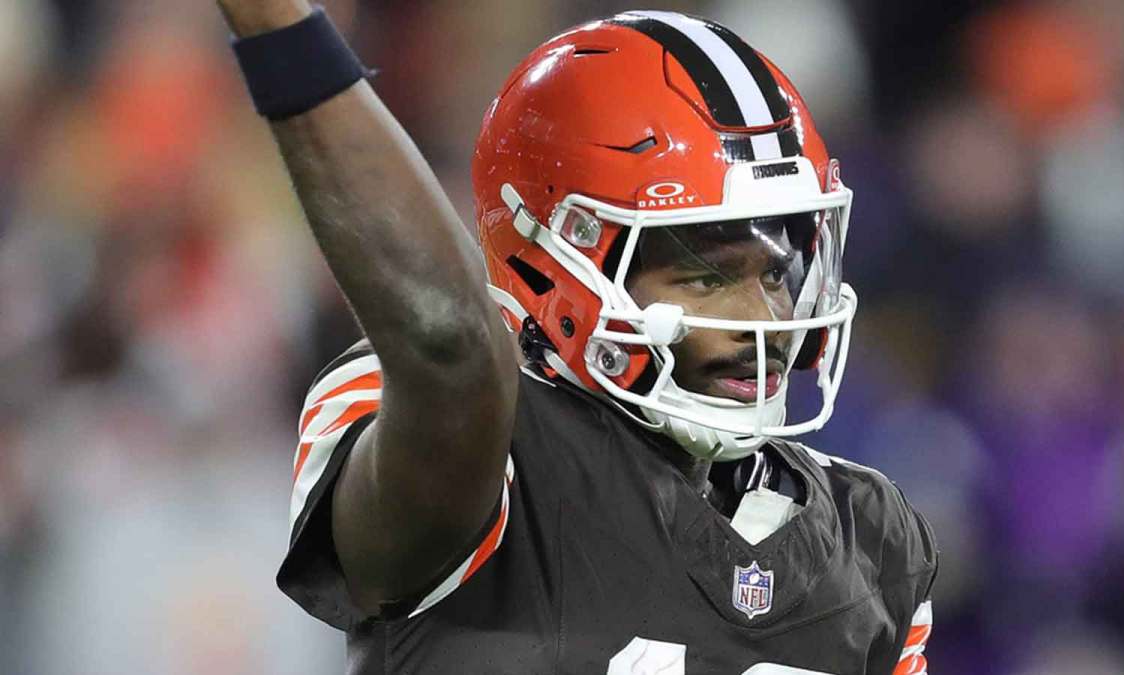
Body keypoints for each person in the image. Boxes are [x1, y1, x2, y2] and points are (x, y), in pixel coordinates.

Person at [219, 2, 937, 673]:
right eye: (708, 277)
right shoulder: (493, 449)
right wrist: (284, 34)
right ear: (555, 260)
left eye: (778, 274)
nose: (765, 317)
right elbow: (449, 349)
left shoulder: (872, 535)